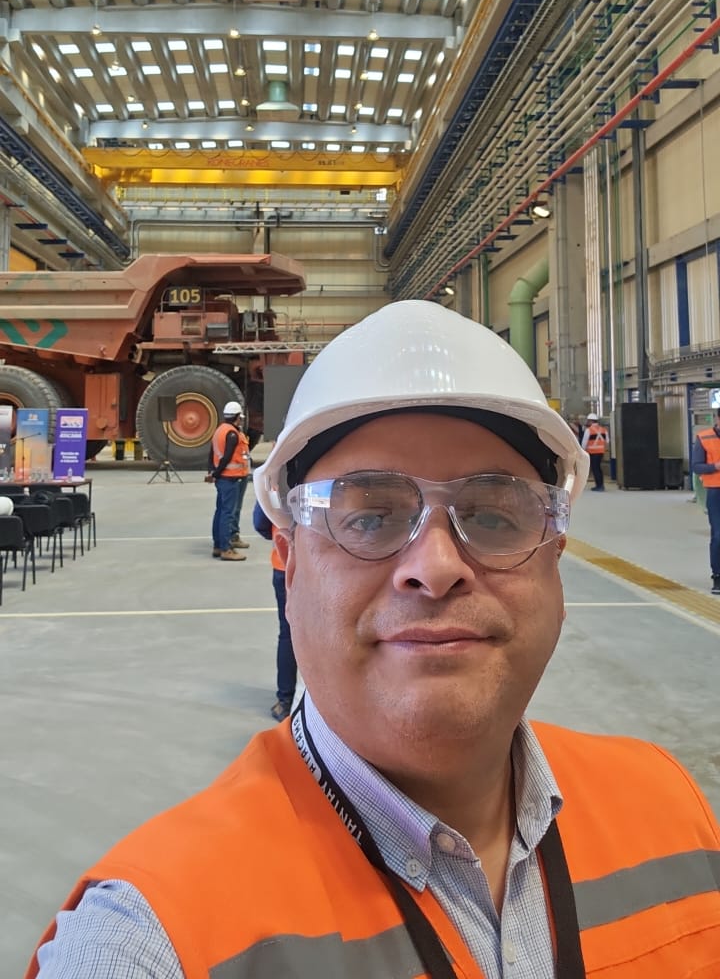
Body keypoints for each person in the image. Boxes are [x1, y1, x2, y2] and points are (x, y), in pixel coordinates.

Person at [27, 303, 720, 978]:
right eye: (368, 518)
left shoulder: (670, 811)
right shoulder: (155, 938)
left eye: (492, 517)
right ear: (290, 564)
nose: (436, 567)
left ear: (554, 560)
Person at [253, 498, 298, 721]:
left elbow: (260, 522)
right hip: (326, 568)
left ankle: (285, 701)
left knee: (288, 633)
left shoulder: (273, 484)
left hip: (285, 565)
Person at [205, 399, 249, 562]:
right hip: (231, 478)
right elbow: (227, 457)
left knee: (221, 511)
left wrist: (213, 472)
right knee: (227, 513)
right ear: (237, 417)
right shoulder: (232, 434)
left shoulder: (220, 430)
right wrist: (216, 474)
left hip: (223, 479)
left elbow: (212, 454)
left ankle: (218, 545)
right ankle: (226, 549)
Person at [691, 406, 720, 594]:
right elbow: (696, 466)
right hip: (715, 492)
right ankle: (717, 575)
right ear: (717, 419)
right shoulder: (704, 438)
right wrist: (715, 466)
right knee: (718, 535)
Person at [581, 413, 609, 491]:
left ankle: (599, 486)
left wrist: (582, 451)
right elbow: (607, 441)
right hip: (601, 452)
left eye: (588, 421)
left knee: (595, 469)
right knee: (598, 468)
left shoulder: (588, 430)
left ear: (590, 421)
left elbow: (584, 443)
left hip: (593, 453)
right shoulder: (604, 430)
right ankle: (601, 485)